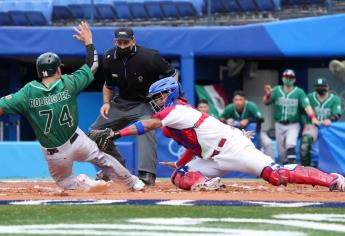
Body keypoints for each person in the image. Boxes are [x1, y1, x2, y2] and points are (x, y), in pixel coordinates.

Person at [99, 76, 345, 192]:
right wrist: (181, 162)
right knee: (179, 174)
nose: (157, 101)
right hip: (212, 157)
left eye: (160, 96)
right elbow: (193, 147)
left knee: (277, 175)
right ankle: (206, 184)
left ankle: (331, 178)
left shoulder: (177, 110)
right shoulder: (171, 119)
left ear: (171, 94)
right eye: (155, 98)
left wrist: (116, 134)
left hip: (232, 148)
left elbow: (147, 125)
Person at [0, 22, 144, 192]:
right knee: (102, 159)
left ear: (40, 73)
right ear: (58, 71)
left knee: (65, 184)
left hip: (55, 154)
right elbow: (93, 65)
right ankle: (133, 182)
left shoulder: (27, 93)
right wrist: (89, 42)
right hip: (78, 140)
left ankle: (83, 182)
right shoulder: (67, 83)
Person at [89, 27, 177, 185]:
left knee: (146, 129)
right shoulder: (109, 57)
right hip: (121, 102)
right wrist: (106, 103)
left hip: (144, 103)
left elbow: (172, 74)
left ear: (133, 41)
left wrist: (165, 94)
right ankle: (116, 168)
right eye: (119, 42)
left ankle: (147, 175)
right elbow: (108, 85)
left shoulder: (150, 56)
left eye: (125, 42)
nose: (122, 46)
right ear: (114, 41)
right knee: (94, 133)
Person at [263, 69, 319, 164]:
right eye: (286, 77)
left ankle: (292, 167)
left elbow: (306, 106)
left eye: (290, 77)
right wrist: (268, 95)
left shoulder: (299, 92)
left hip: (293, 124)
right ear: (282, 78)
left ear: (294, 79)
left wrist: (313, 117)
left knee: (290, 143)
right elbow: (266, 102)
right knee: (282, 153)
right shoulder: (276, 90)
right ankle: (286, 169)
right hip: (279, 124)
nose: (288, 79)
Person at [220, 90, 274, 160]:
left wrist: (248, 120)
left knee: (268, 143)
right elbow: (220, 120)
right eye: (236, 100)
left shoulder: (251, 106)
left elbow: (261, 119)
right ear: (233, 100)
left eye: (241, 100)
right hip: (236, 133)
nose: (238, 102)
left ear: (245, 101)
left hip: (252, 132)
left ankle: (272, 164)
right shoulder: (230, 108)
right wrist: (226, 121)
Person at [300, 78, 342, 166]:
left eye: (322, 86)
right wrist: (305, 124)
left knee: (331, 150)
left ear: (327, 87)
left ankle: (330, 169)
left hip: (328, 127)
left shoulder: (334, 99)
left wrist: (330, 119)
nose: (320, 88)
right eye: (318, 86)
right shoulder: (310, 97)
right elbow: (303, 112)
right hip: (313, 125)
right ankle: (306, 169)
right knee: (304, 144)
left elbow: (337, 114)